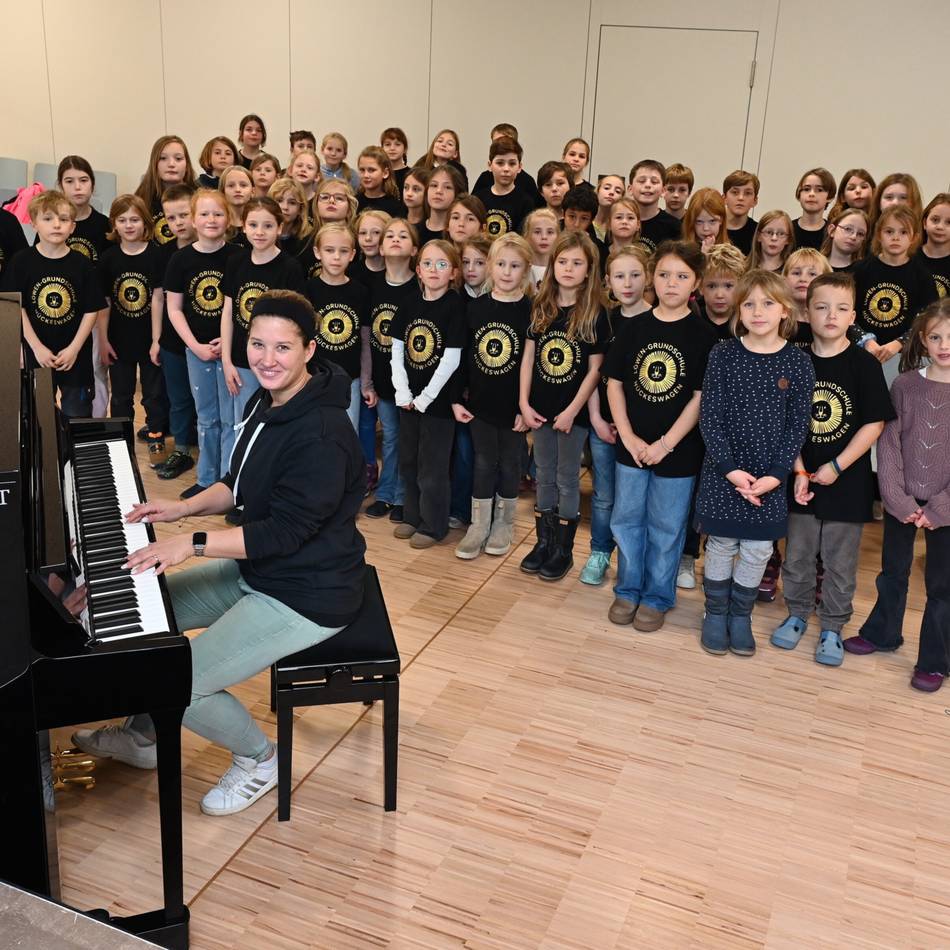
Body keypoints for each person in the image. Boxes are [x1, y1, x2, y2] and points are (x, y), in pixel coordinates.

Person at [72, 289, 367, 816]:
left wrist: (191, 544)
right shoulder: (269, 399)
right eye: (258, 344)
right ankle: (145, 737)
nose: (266, 359)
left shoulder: (322, 433)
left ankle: (261, 760)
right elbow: (237, 483)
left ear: (309, 350)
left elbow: (281, 534)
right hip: (262, 572)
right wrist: (180, 509)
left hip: (307, 593)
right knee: (143, 624)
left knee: (181, 681)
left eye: (282, 348)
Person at [772, 273, 893, 665]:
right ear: (806, 313)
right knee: (798, 555)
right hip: (801, 477)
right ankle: (796, 613)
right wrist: (799, 470)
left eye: (841, 309)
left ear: (853, 317)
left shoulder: (864, 364)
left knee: (839, 562)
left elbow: (874, 423)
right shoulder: (795, 360)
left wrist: (837, 466)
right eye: (821, 307)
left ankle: (832, 626)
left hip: (847, 480)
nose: (830, 316)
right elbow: (785, 422)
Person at [695, 269, 814, 656]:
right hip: (724, 471)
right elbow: (710, 416)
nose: (758, 311)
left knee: (759, 550)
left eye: (767, 303)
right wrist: (729, 469)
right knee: (721, 545)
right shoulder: (723, 354)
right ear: (738, 311)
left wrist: (777, 475)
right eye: (748, 304)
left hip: (769, 478)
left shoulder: (798, 363)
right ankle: (716, 612)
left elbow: (797, 425)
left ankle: (740, 615)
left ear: (785, 310)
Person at [604, 241, 717, 630]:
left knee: (667, 526)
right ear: (653, 278)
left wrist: (666, 444)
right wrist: (629, 437)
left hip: (678, 451)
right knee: (626, 519)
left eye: (682, 276)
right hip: (632, 447)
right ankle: (627, 589)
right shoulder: (634, 328)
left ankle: (656, 596)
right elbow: (614, 384)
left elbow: (700, 398)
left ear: (696, 283)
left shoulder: (703, 336)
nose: (672, 283)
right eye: (665, 274)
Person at [843, 299, 950, 692]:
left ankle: (936, 660)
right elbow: (888, 446)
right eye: (935, 337)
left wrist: (940, 507)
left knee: (942, 586)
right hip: (902, 498)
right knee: (892, 572)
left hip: (946, 506)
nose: (944, 345)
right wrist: (898, 500)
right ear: (922, 339)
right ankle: (883, 633)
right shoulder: (905, 385)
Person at [519, 230, 608, 581]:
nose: (568, 269)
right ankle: (543, 542)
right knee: (543, 474)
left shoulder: (595, 314)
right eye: (563, 262)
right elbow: (528, 359)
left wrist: (572, 411)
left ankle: (563, 549)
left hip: (574, 413)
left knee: (567, 478)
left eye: (577, 263)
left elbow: (595, 370)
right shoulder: (541, 307)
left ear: (588, 271)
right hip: (540, 409)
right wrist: (524, 403)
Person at [452, 233, 532, 559]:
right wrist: (456, 398)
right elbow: (463, 357)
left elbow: (533, 365)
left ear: (525, 270)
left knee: (511, 463)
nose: (506, 272)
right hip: (480, 404)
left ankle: (503, 523)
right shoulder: (475, 308)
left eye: (515, 266)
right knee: (483, 462)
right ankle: (479, 524)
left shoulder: (531, 311)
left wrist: (527, 407)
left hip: (514, 406)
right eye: (500, 264)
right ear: (490, 266)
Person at [580, 243, 650, 587]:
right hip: (605, 424)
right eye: (620, 276)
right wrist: (596, 418)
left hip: (643, 429)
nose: (628, 283)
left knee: (636, 501)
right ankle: (599, 551)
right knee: (605, 494)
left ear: (647, 277)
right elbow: (595, 374)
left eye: (635, 275)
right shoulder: (604, 320)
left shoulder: (657, 319)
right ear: (607, 280)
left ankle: (634, 560)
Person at [676, 243, 746, 591]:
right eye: (712, 285)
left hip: (730, 428)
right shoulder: (690, 324)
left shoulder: (746, 330)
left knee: (724, 495)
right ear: (699, 287)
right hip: (690, 425)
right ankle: (687, 555)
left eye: (728, 286)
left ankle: (725, 560)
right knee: (689, 496)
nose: (719, 294)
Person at [163, 188, 241, 499]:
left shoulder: (238, 256)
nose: (211, 219)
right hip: (197, 351)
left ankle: (229, 481)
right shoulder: (180, 259)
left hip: (232, 350)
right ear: (193, 220)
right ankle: (207, 479)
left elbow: (242, 305)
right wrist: (195, 345)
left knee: (232, 418)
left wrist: (230, 341)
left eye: (218, 213)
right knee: (207, 417)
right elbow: (174, 309)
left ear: (228, 219)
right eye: (204, 214)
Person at [221, 196, 305, 475]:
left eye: (268, 225)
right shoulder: (235, 262)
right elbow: (228, 311)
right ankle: (238, 483)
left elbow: (294, 323)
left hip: (275, 362)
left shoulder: (290, 268)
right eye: (253, 225)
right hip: (241, 361)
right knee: (242, 424)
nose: (260, 232)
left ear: (279, 228)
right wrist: (227, 361)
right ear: (243, 226)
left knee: (273, 427)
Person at [390, 239, 466, 547]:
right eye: (428, 263)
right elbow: (397, 350)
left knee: (432, 468)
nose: (434, 270)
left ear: (454, 272)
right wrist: (403, 392)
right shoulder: (409, 303)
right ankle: (413, 515)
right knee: (409, 461)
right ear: (418, 270)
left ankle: (434, 525)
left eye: (442, 264)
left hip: (437, 404)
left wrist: (425, 398)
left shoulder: (454, 306)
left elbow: (451, 359)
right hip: (408, 400)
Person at [4, 190, 104, 418]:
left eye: (64, 219)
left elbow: (91, 310)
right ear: (34, 224)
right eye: (48, 218)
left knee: (77, 416)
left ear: (73, 227)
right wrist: (36, 347)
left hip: (75, 357)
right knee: (39, 418)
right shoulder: (21, 262)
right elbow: (17, 307)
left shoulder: (83, 264)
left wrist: (74, 349)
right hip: (37, 354)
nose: (56, 225)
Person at [98, 194, 169, 456]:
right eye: (122, 220)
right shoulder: (108, 258)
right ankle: (120, 438)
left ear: (145, 223)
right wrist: (103, 340)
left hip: (149, 338)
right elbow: (104, 303)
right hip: (118, 340)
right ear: (114, 224)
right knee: (121, 395)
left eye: (135, 220)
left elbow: (158, 299)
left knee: (153, 394)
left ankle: (156, 434)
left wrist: (156, 340)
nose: (129, 225)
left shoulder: (156, 255)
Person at [362, 218, 420, 520]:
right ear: (381, 248)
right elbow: (366, 337)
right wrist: (367, 381)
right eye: (390, 236)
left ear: (415, 249)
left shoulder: (419, 288)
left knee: (409, 440)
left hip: (413, 383)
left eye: (403, 236)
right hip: (383, 380)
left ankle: (403, 497)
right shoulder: (371, 287)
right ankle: (386, 494)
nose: (396, 239)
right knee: (391, 438)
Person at [853, 204, 937, 386]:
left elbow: (928, 320)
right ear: (879, 235)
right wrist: (865, 341)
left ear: (914, 238)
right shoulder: (860, 271)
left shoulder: (922, 276)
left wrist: (900, 342)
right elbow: (846, 313)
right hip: (862, 354)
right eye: (889, 231)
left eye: (903, 232)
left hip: (904, 358)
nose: (896, 237)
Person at [56, 155, 112, 416]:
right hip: (62, 309)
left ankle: (96, 424)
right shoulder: (53, 225)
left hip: (98, 309)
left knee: (96, 368)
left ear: (92, 184)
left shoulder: (104, 225)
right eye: (69, 181)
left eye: (83, 180)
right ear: (60, 186)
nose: (77, 187)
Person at [306, 222, 373, 431]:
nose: (336, 257)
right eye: (329, 250)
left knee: (347, 432)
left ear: (352, 255)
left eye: (343, 251)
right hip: (314, 377)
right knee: (314, 430)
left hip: (349, 378)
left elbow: (365, 341)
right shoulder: (307, 290)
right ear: (317, 252)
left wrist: (366, 382)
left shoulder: (361, 292)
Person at [152, 184, 199, 481]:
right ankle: (181, 449)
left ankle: (211, 447)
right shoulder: (164, 254)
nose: (178, 223)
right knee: (179, 397)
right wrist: (156, 339)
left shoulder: (216, 250)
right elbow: (158, 299)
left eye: (184, 215)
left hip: (207, 340)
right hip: (173, 340)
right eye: (171, 218)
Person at [135, 135, 197, 244]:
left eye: (178, 158)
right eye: (163, 158)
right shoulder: (141, 199)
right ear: (154, 164)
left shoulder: (199, 197)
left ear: (187, 165)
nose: (171, 164)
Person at [472, 136, 535, 238]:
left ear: (519, 167)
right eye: (500, 163)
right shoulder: (478, 199)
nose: (506, 169)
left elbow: (523, 239)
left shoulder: (526, 202)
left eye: (512, 163)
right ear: (490, 165)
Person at [471, 123, 540, 203]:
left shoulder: (527, 181)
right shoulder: (484, 178)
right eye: (496, 142)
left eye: (507, 142)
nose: (502, 145)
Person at [628, 160, 680, 252]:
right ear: (630, 189)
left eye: (654, 182)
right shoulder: (619, 221)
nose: (648, 185)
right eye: (642, 181)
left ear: (663, 191)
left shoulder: (674, 227)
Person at [417, 165, 465, 245]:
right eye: (434, 185)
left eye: (447, 187)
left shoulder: (459, 235)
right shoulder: (413, 232)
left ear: (457, 193)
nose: (438, 191)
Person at [792, 167, 836, 250]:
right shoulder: (788, 230)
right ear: (799, 195)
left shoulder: (833, 233)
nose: (811, 194)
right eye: (806, 189)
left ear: (830, 196)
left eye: (819, 190)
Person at [269, 177, 312, 258]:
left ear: (300, 209)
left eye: (292, 203)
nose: (285, 207)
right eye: (279, 201)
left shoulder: (308, 241)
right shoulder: (260, 234)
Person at [917, 192, 950, 298]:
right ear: (924, 223)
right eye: (935, 220)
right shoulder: (909, 257)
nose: (940, 227)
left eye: (949, 222)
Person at [680, 188, 730, 252]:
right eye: (699, 221)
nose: (706, 228)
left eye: (712, 221)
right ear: (692, 221)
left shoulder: (729, 252)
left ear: (721, 220)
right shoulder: (682, 251)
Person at [722, 170, 759, 255]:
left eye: (747, 193)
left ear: (755, 201)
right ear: (724, 198)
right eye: (735, 192)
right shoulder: (711, 227)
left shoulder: (758, 233)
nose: (741, 198)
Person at [820, 207, 869, 272]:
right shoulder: (816, 264)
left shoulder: (864, 270)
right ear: (832, 230)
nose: (853, 237)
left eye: (860, 234)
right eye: (848, 229)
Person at [524, 207, 559, 288]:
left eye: (550, 232)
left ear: (558, 236)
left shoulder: (562, 270)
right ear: (527, 236)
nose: (544, 237)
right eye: (537, 232)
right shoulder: (520, 269)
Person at [219, 165, 254, 238]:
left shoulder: (260, 223)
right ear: (223, 192)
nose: (237, 190)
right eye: (231, 185)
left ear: (253, 191)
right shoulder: (217, 224)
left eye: (243, 185)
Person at [592, 174, 626, 241]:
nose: (611, 192)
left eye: (617, 191)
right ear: (598, 191)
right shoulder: (585, 219)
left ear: (622, 198)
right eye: (607, 188)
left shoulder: (621, 225)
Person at [380, 127, 410, 191]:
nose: (392, 148)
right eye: (388, 144)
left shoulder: (411, 174)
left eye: (397, 144)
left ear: (405, 149)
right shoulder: (378, 174)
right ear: (382, 149)